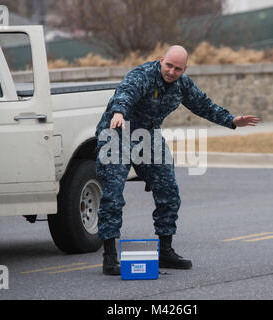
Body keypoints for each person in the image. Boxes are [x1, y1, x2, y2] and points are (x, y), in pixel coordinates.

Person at [95, 45, 259, 275]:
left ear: (185, 69)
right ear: (161, 60)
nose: (171, 72)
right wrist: (119, 112)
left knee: (168, 189)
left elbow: (204, 105)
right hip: (117, 131)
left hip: (148, 135)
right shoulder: (142, 75)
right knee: (113, 193)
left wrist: (231, 120)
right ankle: (110, 257)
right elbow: (125, 93)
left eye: (178, 69)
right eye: (169, 65)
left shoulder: (183, 85)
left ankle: (166, 252)